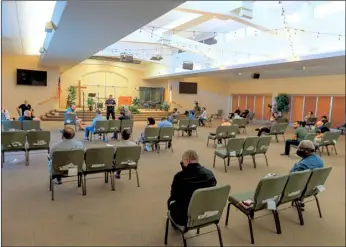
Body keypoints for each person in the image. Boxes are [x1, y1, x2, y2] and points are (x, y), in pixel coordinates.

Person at [167, 150, 217, 226]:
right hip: (207, 213)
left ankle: (175, 226)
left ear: (187, 161)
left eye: (183, 162)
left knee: (171, 203)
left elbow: (173, 197)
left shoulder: (179, 177)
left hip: (185, 218)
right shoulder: (210, 174)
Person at [289, 140, 324, 211]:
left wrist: (295, 166)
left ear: (307, 151)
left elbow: (291, 177)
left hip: (299, 189)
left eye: (300, 149)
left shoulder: (302, 165)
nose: (298, 151)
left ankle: (272, 203)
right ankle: (300, 201)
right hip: (313, 188)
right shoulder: (320, 160)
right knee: (305, 180)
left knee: (273, 181)